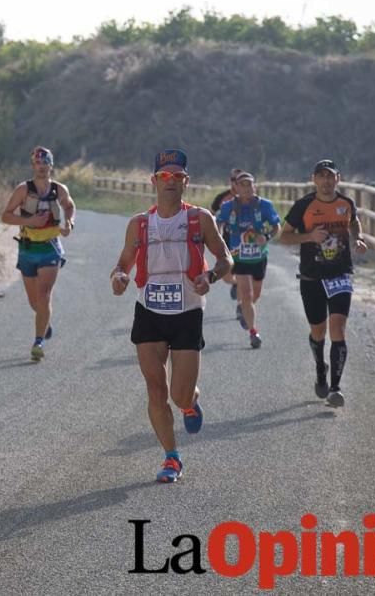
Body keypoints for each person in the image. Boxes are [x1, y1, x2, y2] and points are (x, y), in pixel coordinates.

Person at [111, 149, 233, 483]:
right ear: (154, 181)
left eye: (177, 176)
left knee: (179, 394)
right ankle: (171, 457)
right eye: (165, 176)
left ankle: (190, 401)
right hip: (149, 311)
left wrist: (210, 277)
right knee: (155, 390)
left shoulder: (200, 219)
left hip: (187, 312)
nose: (171, 181)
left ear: (186, 182)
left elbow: (225, 259)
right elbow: (122, 265)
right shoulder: (139, 224)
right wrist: (119, 279)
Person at [278, 159, 368, 407]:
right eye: (321, 176)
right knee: (318, 330)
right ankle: (320, 366)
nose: (326, 181)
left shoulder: (345, 203)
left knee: (337, 329)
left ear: (338, 178)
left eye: (331, 176)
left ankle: (335, 388)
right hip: (312, 277)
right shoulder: (304, 205)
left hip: (340, 274)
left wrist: (358, 238)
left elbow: (353, 221)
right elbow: (283, 237)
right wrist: (310, 236)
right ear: (314, 179)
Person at [0, 146, 76, 362]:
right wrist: (28, 221)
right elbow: (5, 216)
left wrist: (69, 222)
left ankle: (38, 341)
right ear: (33, 166)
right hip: (27, 248)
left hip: (50, 248)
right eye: (38, 163)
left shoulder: (59, 189)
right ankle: (45, 322)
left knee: (44, 295)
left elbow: (69, 207)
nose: (42, 167)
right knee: (35, 302)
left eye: (46, 163)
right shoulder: (23, 190)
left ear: (51, 165)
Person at [215, 172, 281, 348]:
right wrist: (220, 238)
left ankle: (243, 308)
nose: (246, 189)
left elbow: (276, 226)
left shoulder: (264, 206)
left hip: (259, 256)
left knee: (256, 295)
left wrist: (266, 236)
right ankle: (253, 332)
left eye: (249, 185)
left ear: (255, 187)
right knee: (247, 294)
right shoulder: (229, 206)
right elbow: (218, 222)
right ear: (236, 188)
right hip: (239, 255)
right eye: (242, 185)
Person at [210, 168, 243, 301]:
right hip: (227, 241)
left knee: (245, 276)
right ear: (230, 181)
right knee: (227, 277)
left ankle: (242, 306)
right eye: (234, 180)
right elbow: (210, 216)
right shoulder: (221, 198)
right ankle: (236, 284)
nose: (236, 183)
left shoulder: (251, 199)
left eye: (240, 180)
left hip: (246, 242)